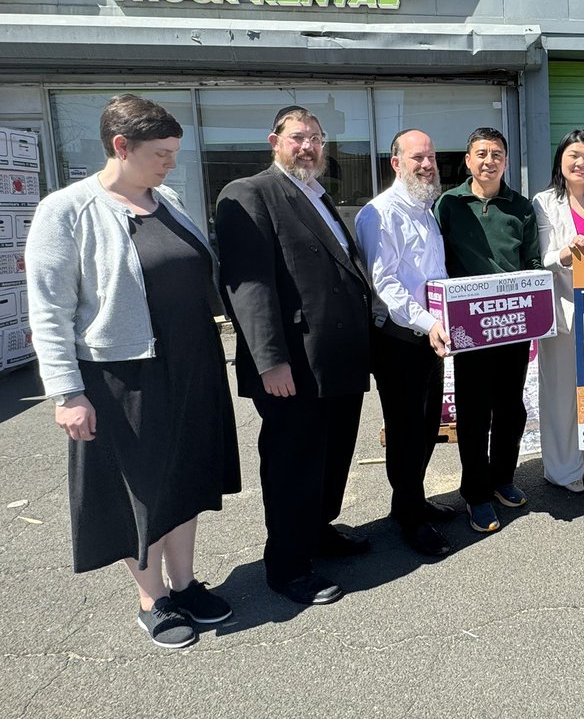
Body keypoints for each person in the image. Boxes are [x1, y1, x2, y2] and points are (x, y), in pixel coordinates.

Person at [26, 94, 240, 650]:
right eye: (160, 153)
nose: (171, 163)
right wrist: (67, 392)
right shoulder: (67, 210)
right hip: (122, 375)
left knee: (187, 477)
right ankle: (153, 599)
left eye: (174, 152)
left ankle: (186, 583)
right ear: (120, 147)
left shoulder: (165, 198)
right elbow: (48, 309)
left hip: (192, 365)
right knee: (139, 490)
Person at [215, 106, 372, 607]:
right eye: (298, 137)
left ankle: (318, 532)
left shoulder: (319, 194)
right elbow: (249, 285)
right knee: (292, 466)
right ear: (274, 141)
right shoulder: (250, 194)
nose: (309, 147)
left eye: (317, 139)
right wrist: (268, 360)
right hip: (293, 365)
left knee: (332, 457)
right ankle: (286, 565)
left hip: (338, 360)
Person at [435, 127, 542, 534]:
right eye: (481, 153)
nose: (489, 161)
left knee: (511, 408)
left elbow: (532, 262)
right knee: (475, 412)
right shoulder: (449, 204)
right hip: (470, 326)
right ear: (468, 160)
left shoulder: (520, 207)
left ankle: (502, 478)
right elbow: (437, 262)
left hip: (512, 323)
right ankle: (475, 493)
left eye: (497, 154)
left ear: (506, 161)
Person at [355, 130, 456, 558]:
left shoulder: (426, 209)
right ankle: (411, 519)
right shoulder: (379, 213)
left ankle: (410, 502)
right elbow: (386, 284)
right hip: (399, 338)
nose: (427, 164)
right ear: (395, 163)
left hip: (430, 336)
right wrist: (429, 321)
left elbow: (435, 273)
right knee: (404, 430)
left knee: (427, 425)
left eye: (431, 156)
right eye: (417, 157)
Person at [532, 129, 584, 493]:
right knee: (561, 393)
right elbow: (541, 259)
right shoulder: (544, 202)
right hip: (563, 311)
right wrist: (566, 252)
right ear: (560, 160)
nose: (581, 163)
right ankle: (562, 469)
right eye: (574, 155)